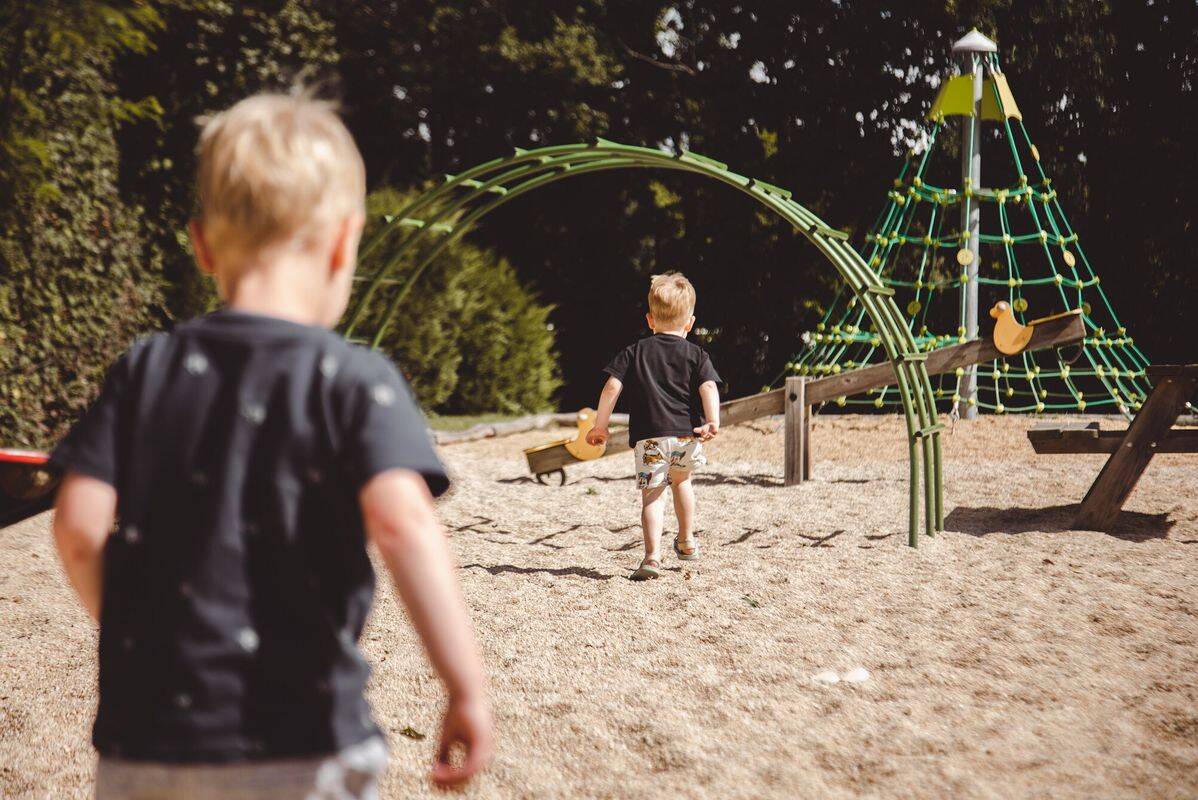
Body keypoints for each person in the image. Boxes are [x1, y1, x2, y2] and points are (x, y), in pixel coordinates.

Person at [49, 90, 492, 799]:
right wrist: (464, 682)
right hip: (305, 740)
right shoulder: (354, 379)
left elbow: (76, 527)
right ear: (345, 243)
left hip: (146, 744)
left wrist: (147, 627)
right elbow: (403, 522)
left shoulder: (146, 368)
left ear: (201, 246)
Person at [586, 272, 721, 580]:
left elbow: (611, 387)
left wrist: (600, 426)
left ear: (650, 320)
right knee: (682, 483)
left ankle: (652, 557)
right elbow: (709, 387)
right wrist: (713, 420)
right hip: (686, 434)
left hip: (649, 439)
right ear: (690, 323)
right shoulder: (697, 354)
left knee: (652, 496)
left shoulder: (635, 351)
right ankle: (686, 541)